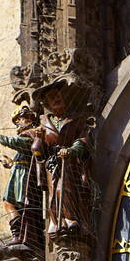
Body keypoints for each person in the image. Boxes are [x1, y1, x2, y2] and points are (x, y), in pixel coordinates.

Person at [31, 79, 94, 236]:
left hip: (70, 162)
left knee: (67, 189)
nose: (56, 99)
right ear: (47, 104)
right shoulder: (43, 123)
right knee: (55, 192)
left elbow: (83, 139)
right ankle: (59, 222)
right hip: (52, 163)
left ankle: (72, 218)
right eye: (52, 97)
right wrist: (38, 139)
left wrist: (72, 150)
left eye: (58, 95)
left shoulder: (74, 120)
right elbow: (38, 152)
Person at [0, 104, 44, 254]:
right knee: (10, 204)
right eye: (17, 120)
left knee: (15, 204)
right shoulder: (26, 133)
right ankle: (19, 234)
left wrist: (0, 139)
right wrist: (11, 163)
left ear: (30, 118)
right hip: (18, 173)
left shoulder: (32, 133)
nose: (19, 122)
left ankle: (21, 235)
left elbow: (25, 146)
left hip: (24, 176)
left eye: (21, 118)